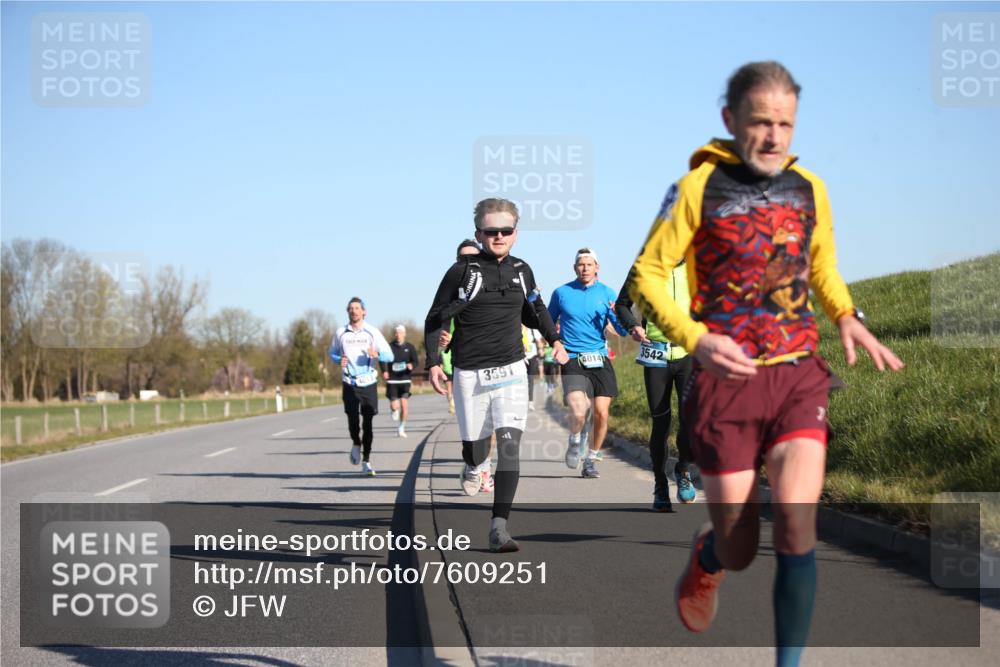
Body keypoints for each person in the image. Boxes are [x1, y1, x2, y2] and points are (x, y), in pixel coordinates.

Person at [628, 61, 904, 666]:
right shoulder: (696, 189)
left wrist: (846, 315)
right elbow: (648, 271)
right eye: (761, 123)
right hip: (726, 380)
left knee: (799, 526)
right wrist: (695, 339)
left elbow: (823, 267)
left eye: (786, 123)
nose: (775, 137)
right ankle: (708, 558)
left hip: (797, 373)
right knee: (741, 545)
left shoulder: (810, 186)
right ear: (731, 121)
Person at [425, 198, 567, 552]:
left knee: (509, 445)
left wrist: (555, 339)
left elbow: (535, 310)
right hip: (470, 373)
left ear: (516, 234)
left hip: (511, 370)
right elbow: (433, 317)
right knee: (475, 448)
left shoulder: (522, 270)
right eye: (492, 231)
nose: (499, 236)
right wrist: (432, 361)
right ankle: (473, 465)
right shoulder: (461, 272)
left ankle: (499, 527)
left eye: (506, 230)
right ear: (479, 234)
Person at [616, 260, 697, 511]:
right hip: (655, 355)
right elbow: (622, 304)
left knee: (691, 422)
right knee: (660, 422)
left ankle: (683, 469)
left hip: (688, 355)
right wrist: (633, 326)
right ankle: (660, 485)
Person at [548, 248, 629, 479]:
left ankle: (591, 459)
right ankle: (575, 441)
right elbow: (548, 323)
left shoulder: (607, 293)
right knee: (579, 409)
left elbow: (622, 331)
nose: (585, 268)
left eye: (589, 264)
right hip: (572, 357)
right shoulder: (561, 293)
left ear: (597, 268)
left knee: (602, 413)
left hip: (599, 358)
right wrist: (556, 344)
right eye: (581, 265)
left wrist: (618, 315)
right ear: (575, 268)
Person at [328, 297, 394, 477]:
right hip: (349, 382)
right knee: (353, 421)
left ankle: (367, 461)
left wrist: (377, 354)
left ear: (364, 311)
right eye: (351, 308)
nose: (354, 311)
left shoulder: (372, 332)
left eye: (357, 308)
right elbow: (332, 353)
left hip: (368, 383)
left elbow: (389, 355)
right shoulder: (341, 332)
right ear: (348, 312)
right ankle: (356, 442)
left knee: (368, 422)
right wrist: (337, 359)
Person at [440, 240, 482, 415]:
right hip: (463, 359)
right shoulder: (451, 290)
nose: (467, 264)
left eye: (472, 259)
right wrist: (445, 336)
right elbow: (441, 316)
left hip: (494, 358)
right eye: (462, 259)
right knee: (470, 414)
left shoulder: (494, 283)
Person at [382, 324, 419, 438]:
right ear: (395, 334)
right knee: (395, 405)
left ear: (404, 334)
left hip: (405, 379)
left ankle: (401, 427)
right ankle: (394, 410)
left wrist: (411, 365)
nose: (398, 335)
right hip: (392, 380)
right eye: (397, 333)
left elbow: (415, 361)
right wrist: (384, 370)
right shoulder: (389, 347)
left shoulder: (410, 347)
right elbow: (382, 359)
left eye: (401, 333)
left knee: (404, 405)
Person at [522, 325, 544, 410]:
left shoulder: (533, 330)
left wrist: (541, 349)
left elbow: (539, 341)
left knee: (530, 379)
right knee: (522, 379)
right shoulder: (518, 329)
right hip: (521, 358)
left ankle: (530, 401)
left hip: (532, 356)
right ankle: (522, 400)